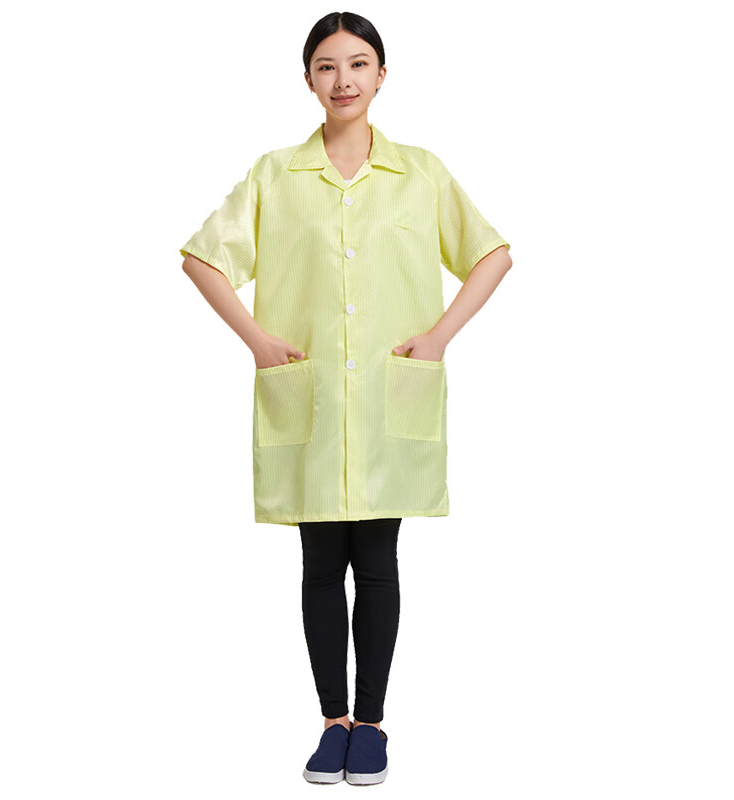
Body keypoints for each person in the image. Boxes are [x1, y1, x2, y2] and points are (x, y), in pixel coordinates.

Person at [180, 11, 512, 785]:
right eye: (327, 66)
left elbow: (492, 254)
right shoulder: (275, 175)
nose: (344, 80)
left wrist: (439, 337)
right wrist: (258, 341)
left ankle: (373, 724)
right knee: (320, 563)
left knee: (380, 559)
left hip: (388, 399)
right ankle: (334, 722)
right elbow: (202, 258)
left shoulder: (421, 173)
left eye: (359, 64)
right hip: (314, 398)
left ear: (382, 75)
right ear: (308, 80)